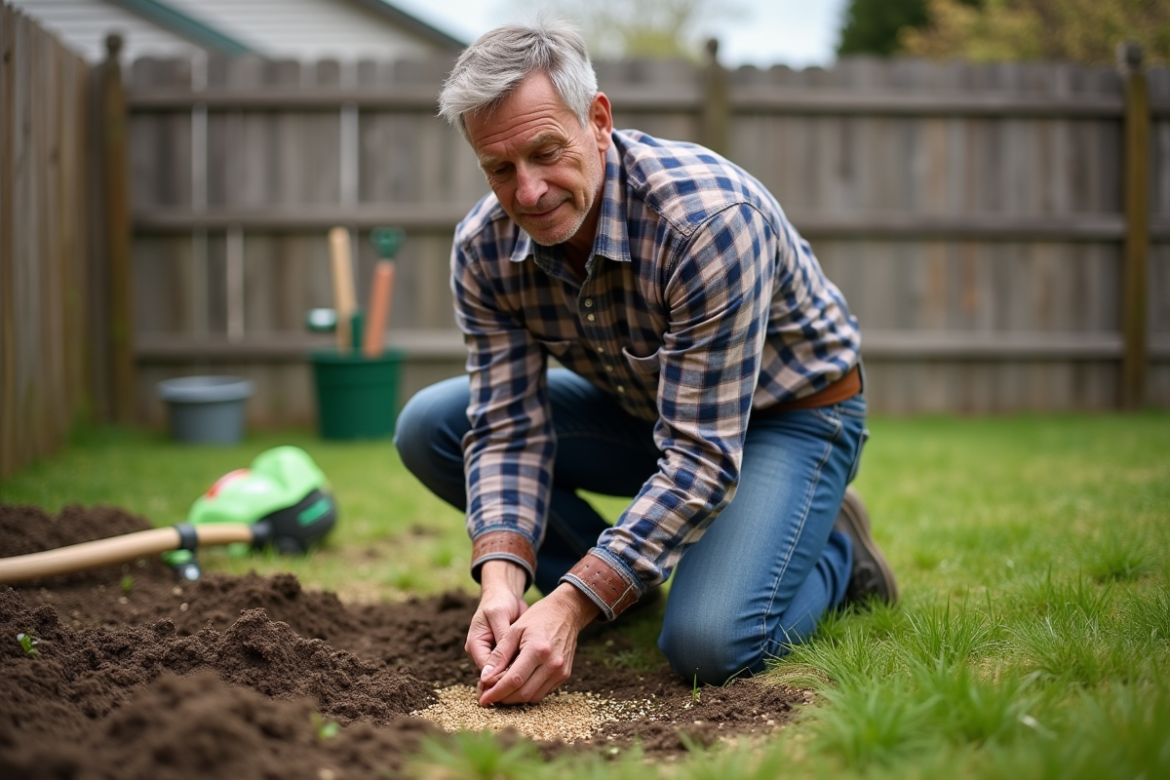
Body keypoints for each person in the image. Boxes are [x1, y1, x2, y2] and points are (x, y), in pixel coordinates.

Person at [394, 20, 897, 708]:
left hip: (788, 420)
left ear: (598, 120)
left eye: (547, 152)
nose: (530, 192)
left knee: (709, 647)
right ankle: (614, 592)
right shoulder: (484, 250)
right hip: (652, 412)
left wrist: (570, 605)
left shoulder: (707, 222)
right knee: (432, 426)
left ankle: (837, 551)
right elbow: (509, 427)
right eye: (500, 169)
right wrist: (503, 581)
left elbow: (700, 457)